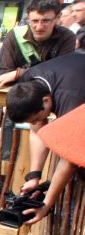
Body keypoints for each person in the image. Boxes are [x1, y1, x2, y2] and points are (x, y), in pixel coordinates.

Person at [5, 53, 85, 224]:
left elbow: (69, 158)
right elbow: (37, 130)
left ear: (47, 100)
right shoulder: (28, 82)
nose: (33, 123)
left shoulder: (70, 98)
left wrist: (46, 204)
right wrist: (34, 177)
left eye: (34, 118)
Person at [0, 0, 75, 90]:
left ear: (57, 18)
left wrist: (19, 73)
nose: (39, 27)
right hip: (20, 94)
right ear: (28, 18)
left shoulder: (66, 37)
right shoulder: (14, 36)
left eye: (46, 21)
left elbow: (61, 74)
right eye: (34, 21)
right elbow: (2, 75)